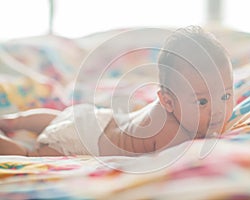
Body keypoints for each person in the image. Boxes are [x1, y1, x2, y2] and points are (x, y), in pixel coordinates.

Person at [0, 26, 234, 157]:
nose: (219, 110)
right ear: (167, 101)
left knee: (60, 117)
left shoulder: (175, 108)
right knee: (29, 154)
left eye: (225, 96)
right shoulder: (174, 136)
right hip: (82, 141)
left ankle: (14, 121)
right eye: (202, 102)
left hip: (95, 117)